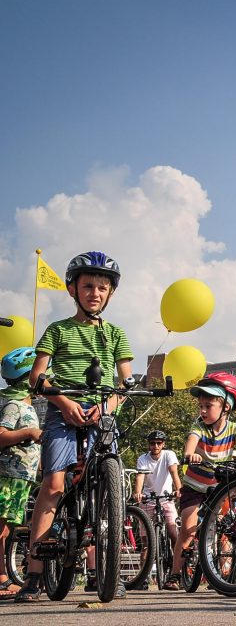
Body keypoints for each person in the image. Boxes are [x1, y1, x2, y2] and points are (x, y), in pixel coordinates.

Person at [16, 252, 133, 602]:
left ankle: (102, 571)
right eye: (87, 286)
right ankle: (35, 574)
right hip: (62, 408)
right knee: (53, 485)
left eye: (101, 287)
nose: (94, 293)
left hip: (102, 411)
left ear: (110, 293)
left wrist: (107, 405)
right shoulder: (58, 330)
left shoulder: (115, 334)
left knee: (105, 486)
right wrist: (63, 403)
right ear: (73, 289)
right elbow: (39, 374)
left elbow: (125, 382)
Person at [164, 372, 236, 590]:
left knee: (225, 529)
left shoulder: (234, 429)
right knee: (188, 530)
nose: (203, 411)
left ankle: (219, 570)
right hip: (195, 486)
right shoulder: (199, 427)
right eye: (201, 406)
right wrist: (191, 454)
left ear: (225, 407)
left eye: (208, 406)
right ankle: (175, 574)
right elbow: (191, 443)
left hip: (219, 489)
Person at [0, 348, 43, 599]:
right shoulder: (14, 406)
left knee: (6, 530)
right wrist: (28, 434)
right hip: (7, 476)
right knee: (1, 529)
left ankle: (4, 576)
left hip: (20, 478)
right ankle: (2, 578)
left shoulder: (29, 406)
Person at [132, 430, 182, 563]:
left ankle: (178, 569)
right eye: (152, 443)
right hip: (148, 499)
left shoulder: (169, 455)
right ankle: (143, 580)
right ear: (149, 445)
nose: (156, 446)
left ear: (163, 444)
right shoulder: (143, 459)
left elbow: (174, 472)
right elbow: (140, 477)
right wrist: (137, 493)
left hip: (166, 498)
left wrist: (178, 490)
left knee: (173, 533)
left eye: (159, 443)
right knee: (146, 543)